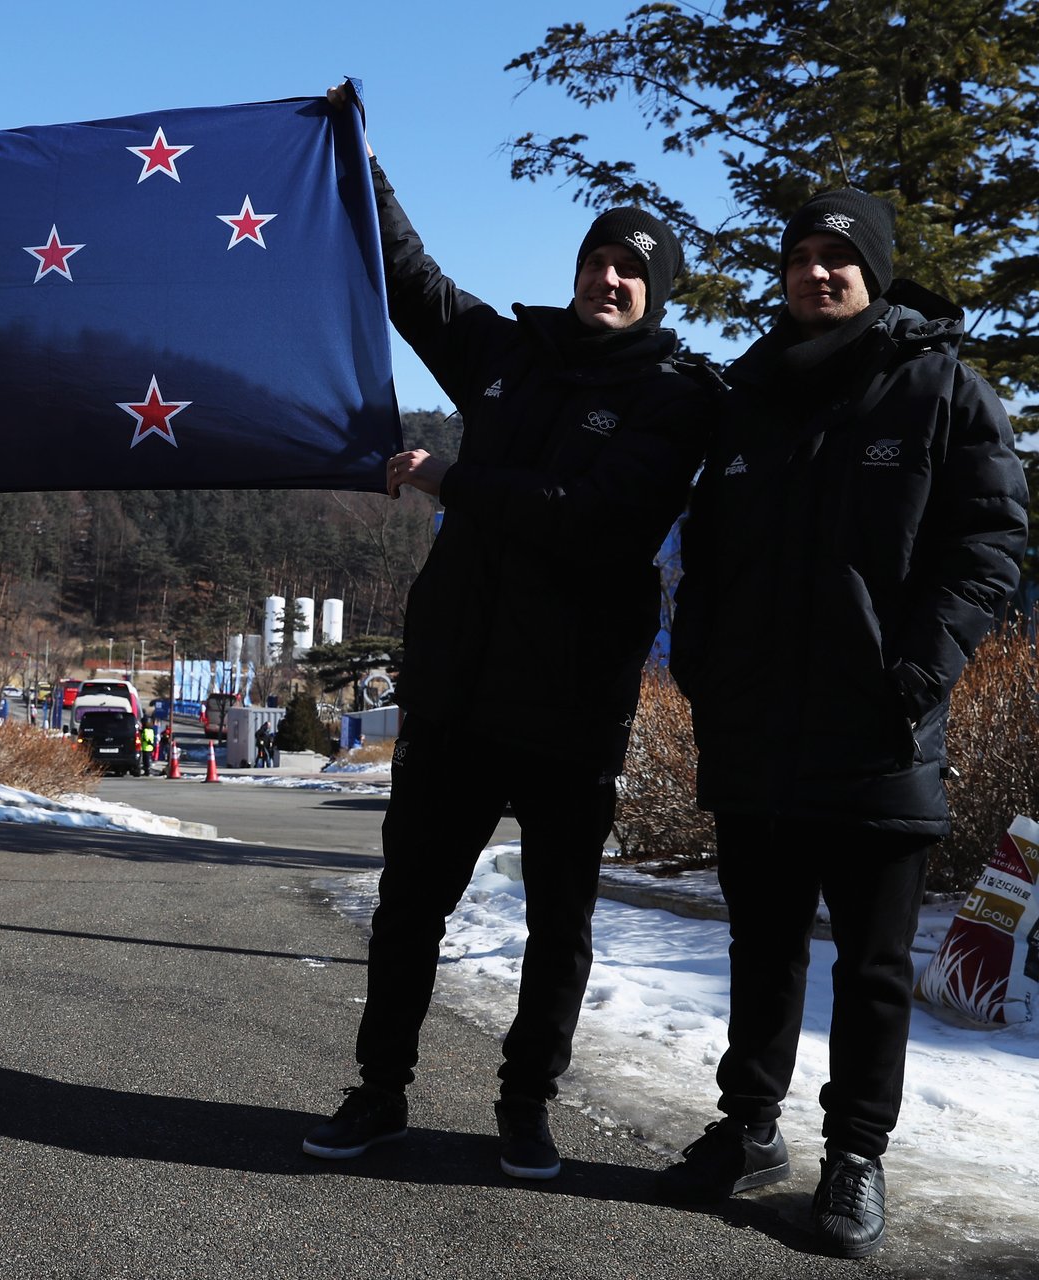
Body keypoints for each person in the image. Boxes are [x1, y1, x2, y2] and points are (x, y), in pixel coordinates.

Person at [302, 85, 716, 1180]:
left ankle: (525, 1100)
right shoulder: (507, 355)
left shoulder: (678, 399)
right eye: (597, 261)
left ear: (656, 290)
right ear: (576, 269)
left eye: (632, 269)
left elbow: (592, 523)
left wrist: (451, 478)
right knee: (408, 911)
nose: (610, 278)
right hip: (453, 692)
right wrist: (361, 154)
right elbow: (412, 282)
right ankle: (378, 1089)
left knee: (557, 930)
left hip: (572, 709)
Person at [657, 191, 1026, 1258]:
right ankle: (748, 1126)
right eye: (803, 256)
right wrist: (701, 664)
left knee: (869, 965)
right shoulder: (748, 396)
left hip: (879, 736)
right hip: (759, 732)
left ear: (874, 273)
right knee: (763, 950)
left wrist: (917, 671)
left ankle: (856, 1154)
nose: (818, 273)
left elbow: (990, 543)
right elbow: (710, 555)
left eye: (840, 258)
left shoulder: (940, 387)